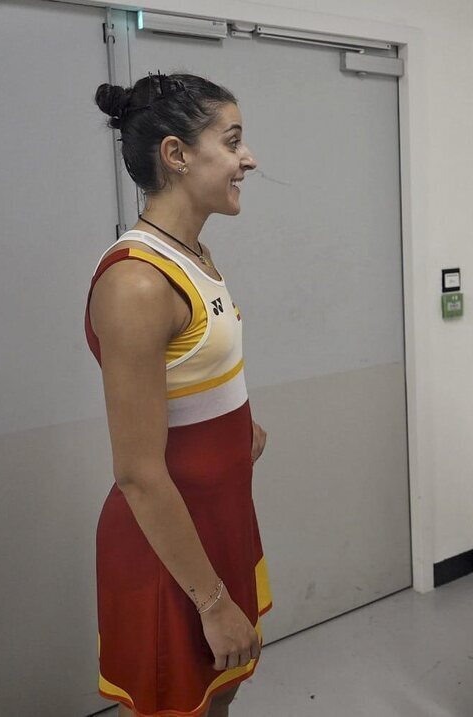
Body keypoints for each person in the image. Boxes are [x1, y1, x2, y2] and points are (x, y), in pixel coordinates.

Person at [87, 73, 272, 717]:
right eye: (233, 140)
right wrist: (213, 602)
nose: (248, 158)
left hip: (217, 520)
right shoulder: (137, 282)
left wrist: (233, 428)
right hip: (169, 555)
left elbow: (193, 381)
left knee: (219, 698)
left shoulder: (194, 253)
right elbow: (138, 473)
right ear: (177, 154)